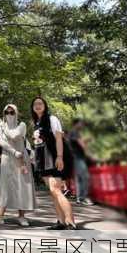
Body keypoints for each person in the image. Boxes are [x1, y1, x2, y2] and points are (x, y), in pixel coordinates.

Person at [0, 104, 36, 227]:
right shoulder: (1, 126)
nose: (9, 115)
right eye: (7, 112)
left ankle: (21, 216)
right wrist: (13, 151)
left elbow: (14, 136)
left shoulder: (22, 125)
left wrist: (4, 128)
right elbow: (1, 141)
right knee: (5, 185)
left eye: (12, 112)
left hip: (21, 158)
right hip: (8, 156)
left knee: (22, 185)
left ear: (16, 113)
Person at [31, 96, 76, 230]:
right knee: (53, 191)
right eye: (35, 104)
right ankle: (61, 221)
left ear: (45, 105)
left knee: (55, 189)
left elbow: (58, 139)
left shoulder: (52, 119)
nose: (38, 106)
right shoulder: (37, 123)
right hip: (42, 160)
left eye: (40, 103)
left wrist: (60, 157)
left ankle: (70, 220)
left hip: (54, 158)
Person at [68, 118, 94, 205]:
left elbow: (78, 143)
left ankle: (79, 198)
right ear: (77, 124)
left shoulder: (73, 133)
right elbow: (81, 144)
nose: (82, 125)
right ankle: (83, 198)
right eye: (81, 123)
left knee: (79, 179)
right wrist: (90, 155)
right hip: (78, 157)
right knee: (85, 177)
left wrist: (86, 140)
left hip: (75, 158)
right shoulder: (75, 132)